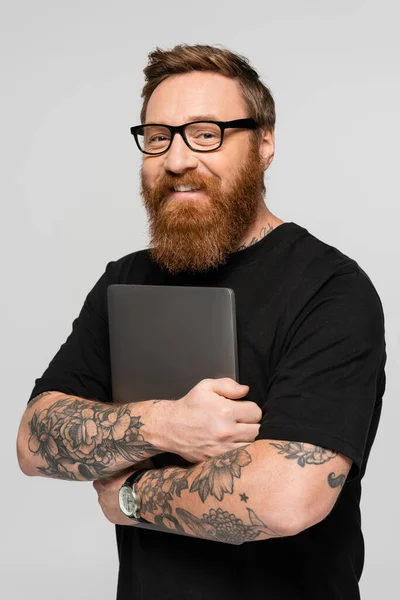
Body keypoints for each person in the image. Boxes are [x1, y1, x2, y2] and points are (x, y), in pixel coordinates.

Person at [16, 43, 386, 600]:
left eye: (206, 133)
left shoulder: (331, 290)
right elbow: (34, 441)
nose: (177, 158)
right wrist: (166, 424)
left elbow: (289, 497)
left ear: (264, 144)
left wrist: (132, 499)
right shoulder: (127, 279)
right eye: (159, 137)